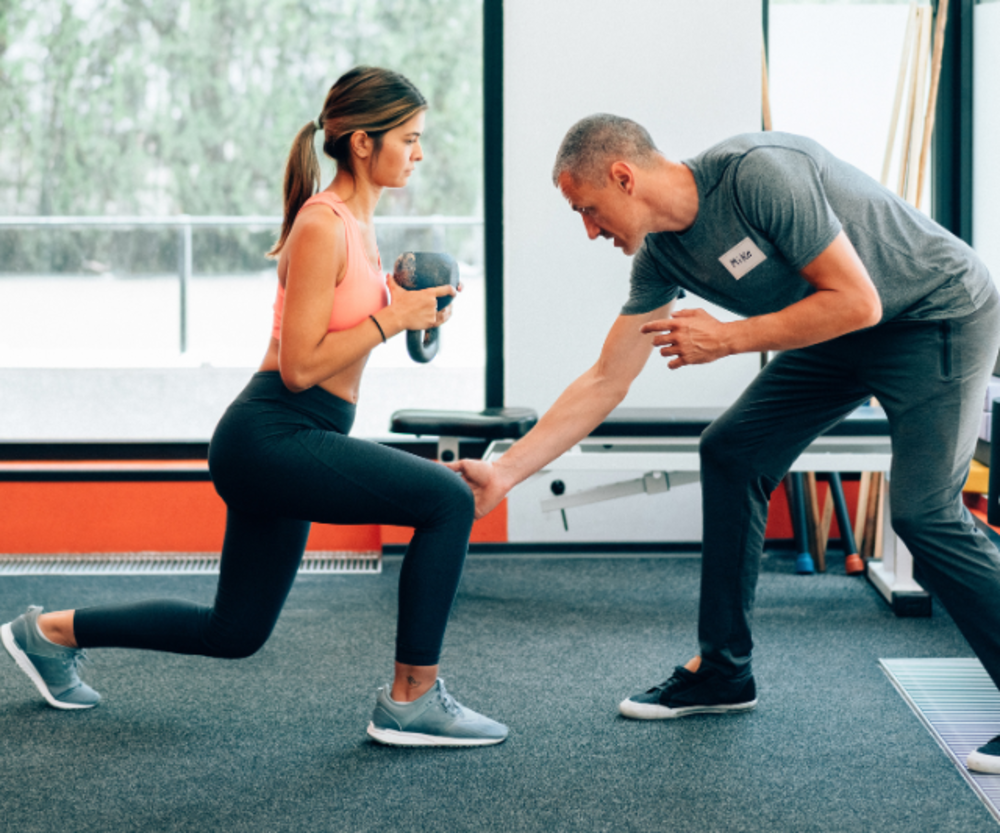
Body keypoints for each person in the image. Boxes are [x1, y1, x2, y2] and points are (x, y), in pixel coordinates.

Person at [448, 114, 1000, 768]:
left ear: (624, 177)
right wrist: (505, 472)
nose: (590, 230)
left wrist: (731, 338)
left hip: (934, 313)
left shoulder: (757, 176)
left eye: (589, 209)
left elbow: (859, 300)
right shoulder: (662, 255)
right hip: (842, 332)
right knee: (731, 449)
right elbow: (605, 379)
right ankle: (723, 669)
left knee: (921, 512)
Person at [1, 66, 507, 748]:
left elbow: (339, 337)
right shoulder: (322, 223)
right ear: (363, 142)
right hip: (272, 432)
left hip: (298, 435)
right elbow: (299, 367)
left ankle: (48, 632)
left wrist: (403, 305)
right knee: (445, 500)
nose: (419, 153)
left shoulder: (361, 225)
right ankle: (411, 699)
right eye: (409, 139)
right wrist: (393, 319)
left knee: (233, 632)